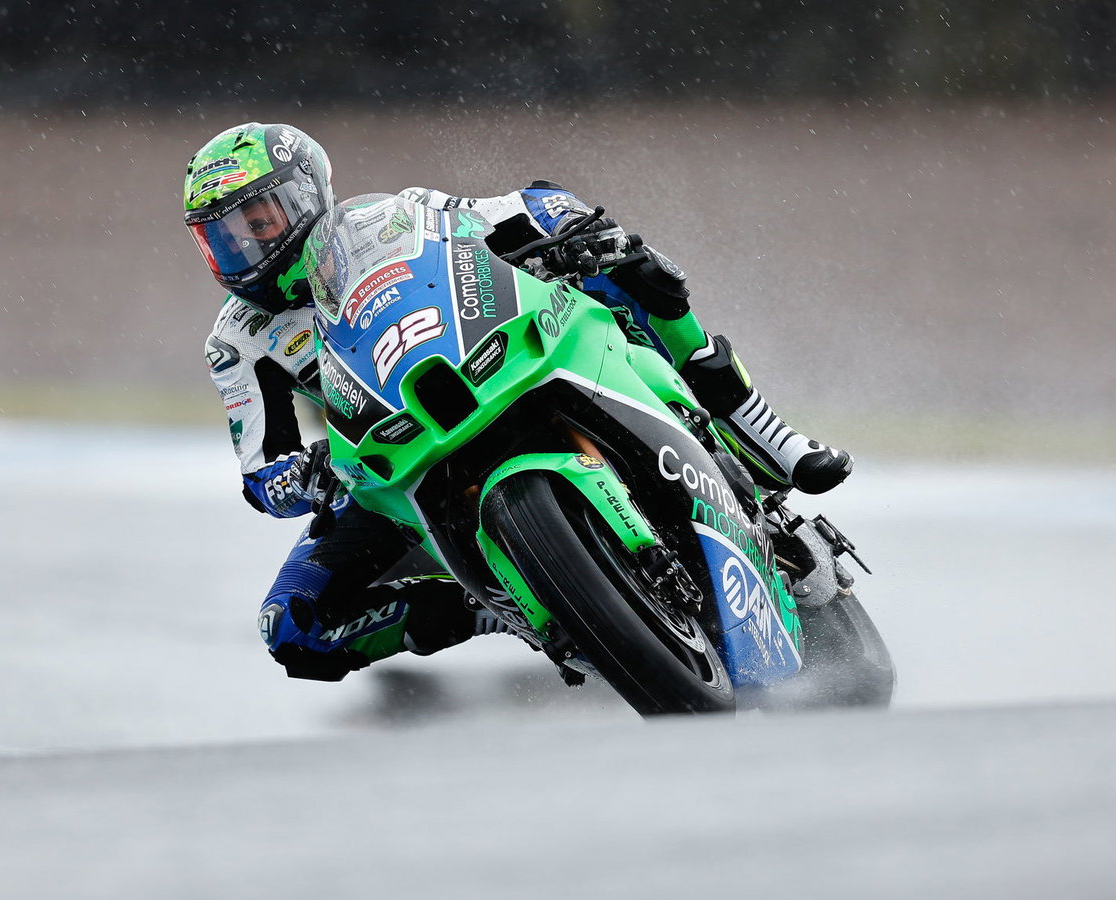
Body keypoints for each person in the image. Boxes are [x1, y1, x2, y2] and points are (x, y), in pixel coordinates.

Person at [183, 122, 853, 682]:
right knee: (292, 629)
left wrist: (565, 224)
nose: (243, 247)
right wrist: (298, 477)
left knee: (634, 271)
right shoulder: (236, 339)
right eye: (220, 236)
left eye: (256, 220)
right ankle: (501, 607)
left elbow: (502, 212)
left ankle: (758, 430)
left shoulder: (388, 215)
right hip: (387, 449)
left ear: (306, 195)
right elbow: (258, 467)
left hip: (497, 354)